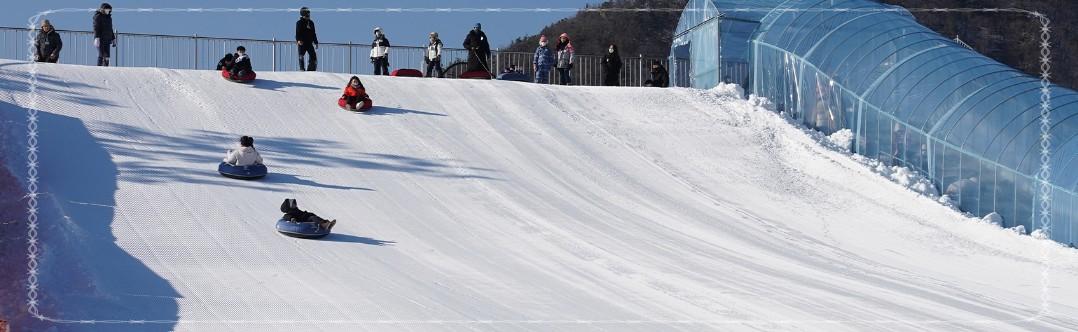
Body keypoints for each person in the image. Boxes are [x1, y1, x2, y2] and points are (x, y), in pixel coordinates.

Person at [295, 7, 318, 71]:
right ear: (303, 14)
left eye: (309, 14)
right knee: (301, 56)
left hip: (309, 42)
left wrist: (316, 42)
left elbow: (314, 33)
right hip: (302, 42)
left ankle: (311, 69)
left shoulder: (311, 23)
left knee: (313, 56)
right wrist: (298, 40)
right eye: (307, 14)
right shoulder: (299, 23)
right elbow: (297, 33)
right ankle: (302, 69)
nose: (309, 15)